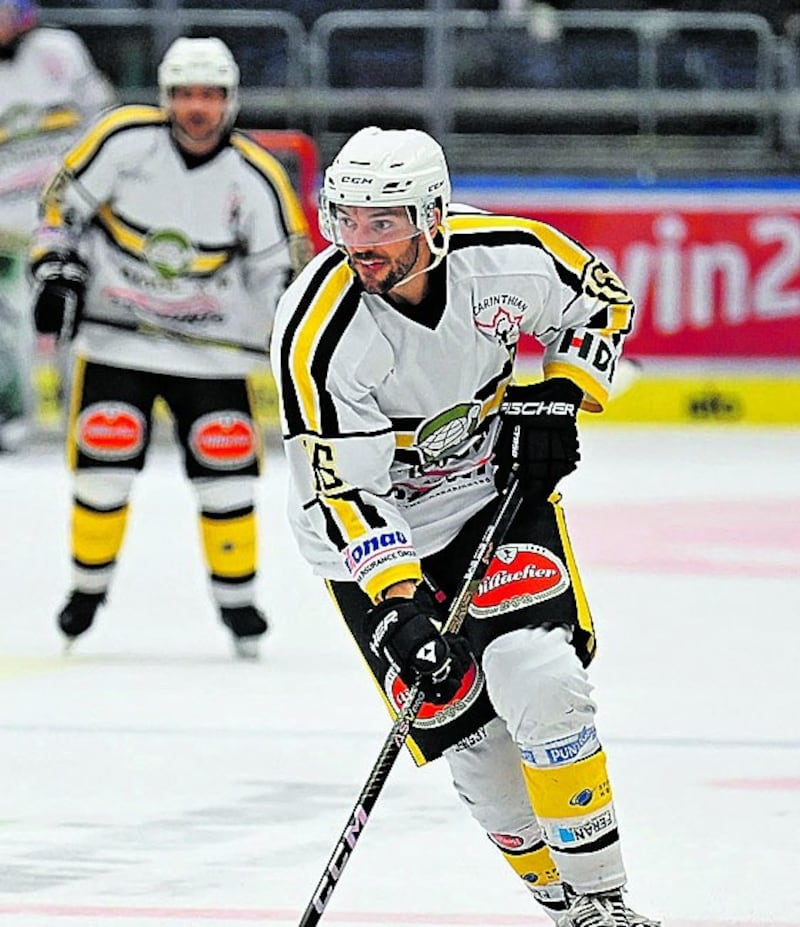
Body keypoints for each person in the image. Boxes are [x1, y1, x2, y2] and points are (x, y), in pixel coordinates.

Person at [271, 125, 659, 925]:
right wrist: (399, 605)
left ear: (433, 218)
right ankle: (565, 907)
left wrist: (561, 391)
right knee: (476, 745)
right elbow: (344, 489)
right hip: (368, 534)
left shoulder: (507, 256)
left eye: (383, 222)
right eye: (346, 219)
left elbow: (603, 298)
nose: (360, 242)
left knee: (541, 678)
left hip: (489, 496)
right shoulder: (319, 329)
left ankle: (605, 903)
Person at [29, 36, 311, 658]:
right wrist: (53, 267)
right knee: (103, 473)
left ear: (230, 101)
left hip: (214, 354)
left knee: (228, 482)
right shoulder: (123, 141)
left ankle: (238, 602)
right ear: (165, 98)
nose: (197, 108)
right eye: (186, 94)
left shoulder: (256, 175)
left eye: (210, 95)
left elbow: (281, 273)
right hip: (116, 343)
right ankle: (86, 590)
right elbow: (60, 208)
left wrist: (293, 343)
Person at [0, 0, 114, 450]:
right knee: (10, 331)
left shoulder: (61, 50)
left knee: (82, 319)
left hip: (69, 219)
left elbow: (105, 121)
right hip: (6, 230)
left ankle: (86, 417)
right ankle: (10, 418)